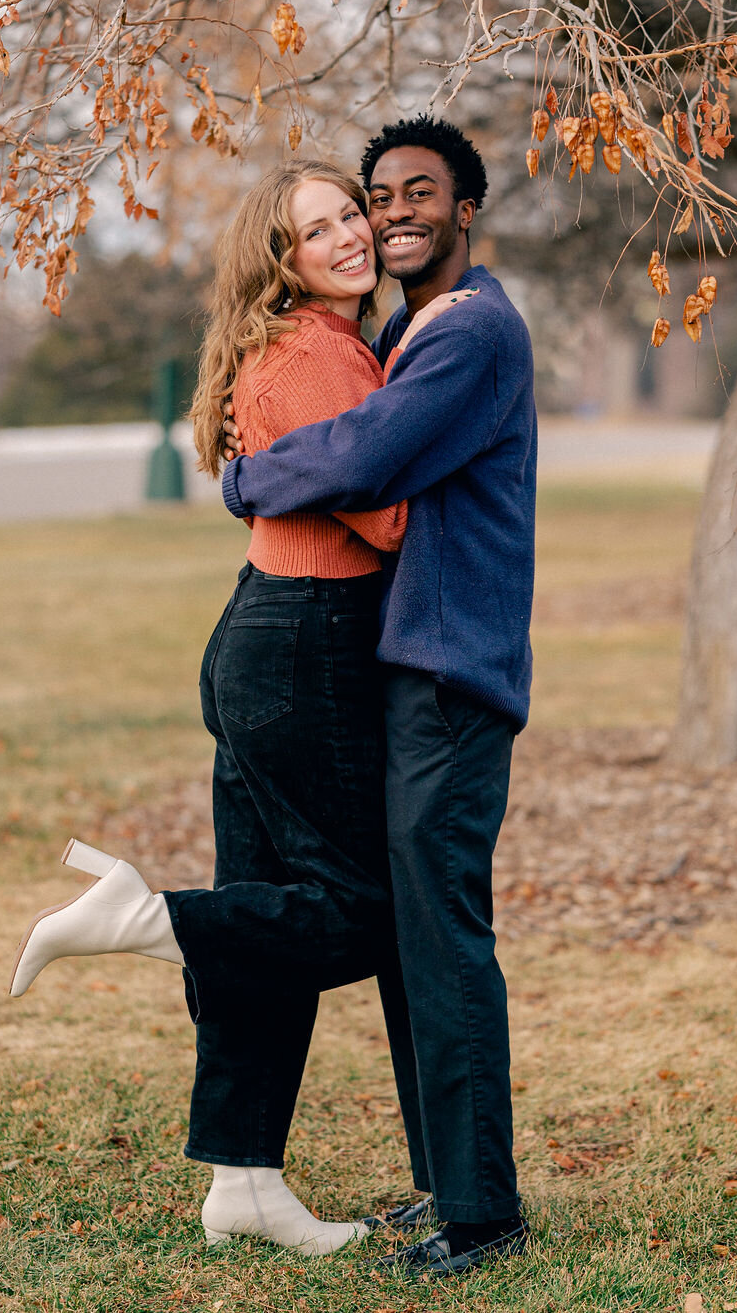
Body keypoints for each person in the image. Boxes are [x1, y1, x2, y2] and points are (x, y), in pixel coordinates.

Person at [8, 159, 474, 1258]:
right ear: (283, 260)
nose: (351, 236)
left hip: (276, 634)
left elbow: (330, 474)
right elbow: (386, 513)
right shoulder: (312, 351)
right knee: (359, 908)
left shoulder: (325, 344)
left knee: (269, 907)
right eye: (319, 230)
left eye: (349, 214)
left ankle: (244, 1181)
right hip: (305, 644)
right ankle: (146, 918)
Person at [220, 116, 537, 1276]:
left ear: (465, 211)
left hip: (455, 676)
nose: (392, 212)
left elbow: (361, 457)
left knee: (442, 937)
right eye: (376, 196)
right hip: (412, 669)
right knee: (412, 940)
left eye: (418, 194)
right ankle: (447, 1184)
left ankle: (484, 1212)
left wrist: (250, 474)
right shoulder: (410, 329)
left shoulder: (469, 336)